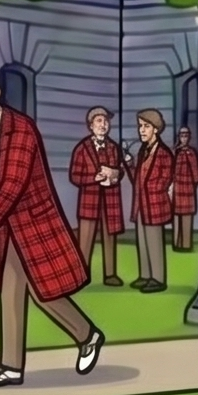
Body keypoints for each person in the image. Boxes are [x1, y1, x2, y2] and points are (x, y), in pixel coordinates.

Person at [0, 63, 105, 391]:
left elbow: (13, 184)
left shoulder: (21, 129)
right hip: (9, 226)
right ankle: (10, 366)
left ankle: (87, 335)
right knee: (10, 292)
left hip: (35, 221)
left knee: (43, 292)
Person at [70, 108, 128, 287]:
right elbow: (74, 175)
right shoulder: (82, 148)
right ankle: (82, 274)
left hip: (110, 200)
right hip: (90, 201)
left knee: (110, 237)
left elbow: (121, 170)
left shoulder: (114, 148)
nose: (104, 125)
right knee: (85, 239)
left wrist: (117, 174)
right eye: (99, 121)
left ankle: (110, 274)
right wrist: (92, 178)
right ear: (91, 125)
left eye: (106, 122)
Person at [129, 109, 174, 292]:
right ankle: (145, 275)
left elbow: (165, 178)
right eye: (140, 126)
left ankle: (158, 278)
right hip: (141, 204)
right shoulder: (143, 151)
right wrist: (129, 163)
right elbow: (137, 178)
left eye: (146, 126)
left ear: (156, 129)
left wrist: (152, 189)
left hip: (154, 204)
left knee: (154, 241)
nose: (142, 130)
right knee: (142, 240)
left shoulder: (163, 153)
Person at [170, 125, 198, 251]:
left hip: (188, 190)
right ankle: (177, 243)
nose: (184, 138)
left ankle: (186, 245)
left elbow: (197, 174)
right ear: (179, 137)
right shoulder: (175, 152)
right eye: (182, 136)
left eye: (186, 136)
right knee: (177, 218)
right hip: (177, 189)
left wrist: (193, 182)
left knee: (187, 218)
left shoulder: (191, 153)